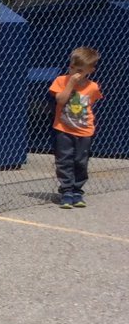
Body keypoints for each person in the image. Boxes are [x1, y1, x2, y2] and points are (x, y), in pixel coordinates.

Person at [49, 46, 104, 208]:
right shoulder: (61, 81)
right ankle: (66, 191)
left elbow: (90, 105)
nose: (74, 72)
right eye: (72, 67)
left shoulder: (93, 87)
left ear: (90, 70)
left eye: (79, 70)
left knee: (81, 161)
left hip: (84, 130)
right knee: (64, 160)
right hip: (63, 129)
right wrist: (71, 84)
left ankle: (77, 191)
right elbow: (60, 100)